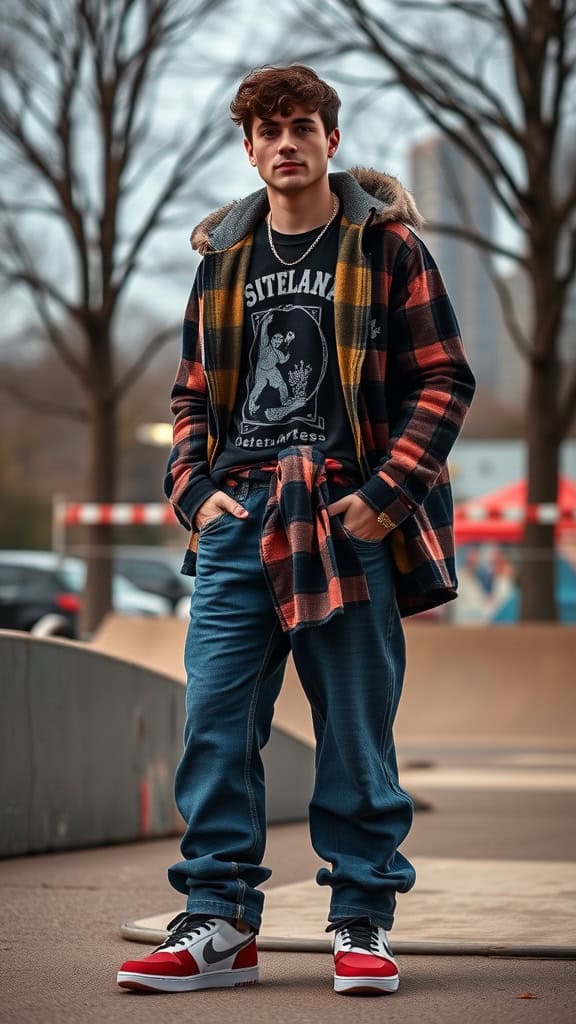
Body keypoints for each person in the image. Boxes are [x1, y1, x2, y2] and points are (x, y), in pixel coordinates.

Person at [117, 64, 476, 997]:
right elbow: (191, 395)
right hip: (241, 517)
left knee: (355, 733)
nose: (286, 143)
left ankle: (361, 919)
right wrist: (195, 494)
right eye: (268, 130)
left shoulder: (388, 248)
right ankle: (221, 923)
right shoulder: (224, 262)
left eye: (303, 126)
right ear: (248, 148)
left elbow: (443, 381)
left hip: (348, 516)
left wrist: (385, 497)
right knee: (215, 725)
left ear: (331, 141)